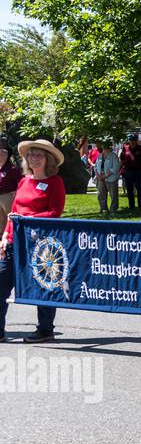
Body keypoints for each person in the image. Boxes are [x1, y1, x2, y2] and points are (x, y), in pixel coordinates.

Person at [0, 139, 67, 343]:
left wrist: (30, 220)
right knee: (1, 283)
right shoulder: (24, 181)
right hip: (14, 240)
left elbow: (55, 212)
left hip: (41, 243)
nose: (33, 158)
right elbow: (15, 212)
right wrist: (4, 235)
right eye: (30, 155)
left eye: (39, 155)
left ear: (48, 159)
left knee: (44, 286)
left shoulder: (55, 182)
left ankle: (45, 329)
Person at [92, 141, 121, 214]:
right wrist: (98, 175)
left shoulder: (113, 156)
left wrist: (105, 176)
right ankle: (103, 208)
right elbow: (95, 167)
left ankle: (113, 210)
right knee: (101, 194)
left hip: (111, 179)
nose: (104, 149)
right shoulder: (100, 156)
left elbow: (115, 168)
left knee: (113, 195)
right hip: (100, 179)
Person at [120, 134, 141, 211]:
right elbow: (122, 159)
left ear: (137, 140)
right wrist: (119, 169)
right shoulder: (125, 148)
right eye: (131, 140)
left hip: (138, 171)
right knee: (129, 189)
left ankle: (140, 206)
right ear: (128, 140)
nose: (132, 142)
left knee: (139, 189)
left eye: (134, 140)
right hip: (128, 171)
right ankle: (131, 206)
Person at [0, 142, 20, 237]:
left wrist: (17, 193)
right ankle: (2, 237)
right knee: (1, 219)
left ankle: (13, 236)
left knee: (10, 218)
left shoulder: (12, 168)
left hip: (8, 197)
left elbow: (21, 182)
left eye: (1, 154)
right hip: (0, 197)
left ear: (6, 155)